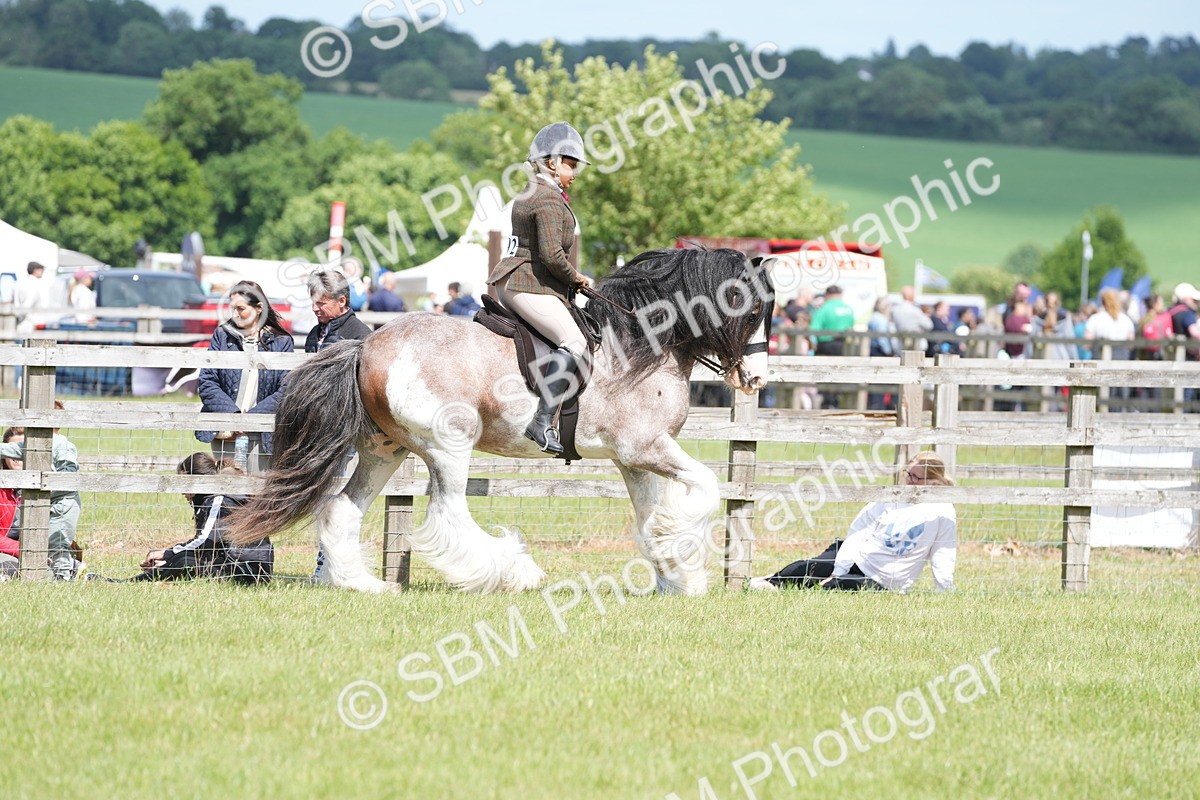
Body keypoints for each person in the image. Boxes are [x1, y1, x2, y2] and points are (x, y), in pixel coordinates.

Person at [485, 121, 591, 455]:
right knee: (573, 342)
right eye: (570, 164)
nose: (574, 173)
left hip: (509, 281)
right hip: (526, 284)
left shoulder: (531, 192)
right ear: (551, 162)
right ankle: (542, 422)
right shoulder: (546, 198)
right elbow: (551, 255)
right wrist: (577, 278)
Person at [751, 452, 957, 592]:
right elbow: (859, 532)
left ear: (934, 482)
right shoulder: (891, 497)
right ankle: (770, 582)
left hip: (881, 581)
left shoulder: (943, 511)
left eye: (916, 478)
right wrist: (838, 570)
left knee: (835, 589)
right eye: (908, 474)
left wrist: (944, 590)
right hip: (854, 554)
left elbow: (943, 554)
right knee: (812, 567)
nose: (908, 481)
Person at [196, 281, 294, 473]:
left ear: (259, 308)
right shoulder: (222, 336)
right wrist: (234, 417)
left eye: (241, 309)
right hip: (226, 431)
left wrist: (251, 419)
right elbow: (207, 381)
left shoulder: (282, 341)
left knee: (258, 493)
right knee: (227, 489)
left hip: (264, 432)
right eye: (232, 309)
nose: (235, 314)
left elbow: (286, 390)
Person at [129, 454, 272, 584]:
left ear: (194, 481)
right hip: (240, 566)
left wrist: (166, 554)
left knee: (185, 560)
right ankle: (151, 576)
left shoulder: (219, 500)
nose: (181, 492)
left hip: (246, 572)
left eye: (183, 484)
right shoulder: (217, 498)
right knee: (183, 559)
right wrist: (169, 560)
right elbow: (211, 546)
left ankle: (134, 582)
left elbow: (204, 542)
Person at [0, 401, 82, 580]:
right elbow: (10, 449)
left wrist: (49, 484)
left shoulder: (62, 444)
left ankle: (64, 576)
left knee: (57, 539)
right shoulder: (34, 443)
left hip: (62, 502)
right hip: (41, 506)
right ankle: (60, 572)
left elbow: (68, 473)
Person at [305, 270, 373, 353]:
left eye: (321, 303)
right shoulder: (314, 334)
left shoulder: (360, 336)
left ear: (341, 301)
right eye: (314, 302)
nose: (314, 308)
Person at [0, 427, 22, 580]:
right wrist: (23, 549)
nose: (16, 457)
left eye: (21, 450)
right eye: (11, 451)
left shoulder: (47, 486)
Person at [891, 285, 933, 353]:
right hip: (915, 347)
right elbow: (929, 325)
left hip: (900, 346)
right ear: (912, 296)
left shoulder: (895, 310)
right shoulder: (915, 311)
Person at [14, 261, 45, 334]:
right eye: (41, 269)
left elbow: (16, 302)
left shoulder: (20, 283)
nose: (42, 272)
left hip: (21, 322)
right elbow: (27, 305)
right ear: (35, 270)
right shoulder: (33, 285)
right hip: (29, 323)